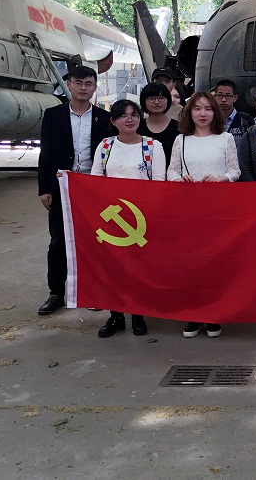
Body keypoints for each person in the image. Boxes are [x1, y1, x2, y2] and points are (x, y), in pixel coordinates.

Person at [37, 66, 112, 315]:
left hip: (93, 188)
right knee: (59, 240)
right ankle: (57, 293)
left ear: (95, 87)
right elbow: (45, 154)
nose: (83, 88)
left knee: (95, 240)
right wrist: (44, 188)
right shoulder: (53, 115)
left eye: (88, 83)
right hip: (62, 186)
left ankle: (94, 291)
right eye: (78, 82)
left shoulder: (104, 118)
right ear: (68, 84)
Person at [167, 91, 241, 339]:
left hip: (217, 210)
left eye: (208, 109)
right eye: (197, 108)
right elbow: (171, 172)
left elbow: (235, 171)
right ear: (189, 112)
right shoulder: (181, 140)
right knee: (191, 263)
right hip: (188, 210)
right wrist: (180, 180)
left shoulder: (225, 138)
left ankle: (213, 314)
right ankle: (194, 314)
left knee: (215, 262)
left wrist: (221, 178)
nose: (203, 113)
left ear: (215, 112)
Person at [91, 100, 166, 339]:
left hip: (141, 219)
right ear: (114, 121)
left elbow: (160, 183)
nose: (129, 119)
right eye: (123, 116)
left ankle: (138, 313)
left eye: (134, 114)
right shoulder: (105, 146)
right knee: (112, 268)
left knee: (138, 268)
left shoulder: (152, 146)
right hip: (112, 219)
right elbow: (95, 181)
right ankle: (116, 315)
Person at [137, 82, 179, 165]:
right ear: (144, 101)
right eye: (151, 98)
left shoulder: (179, 127)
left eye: (161, 98)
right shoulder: (137, 127)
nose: (156, 102)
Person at [213, 79, 254, 152]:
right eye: (219, 95)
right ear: (215, 97)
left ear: (235, 98)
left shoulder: (246, 121)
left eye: (228, 96)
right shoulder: (210, 120)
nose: (223, 99)